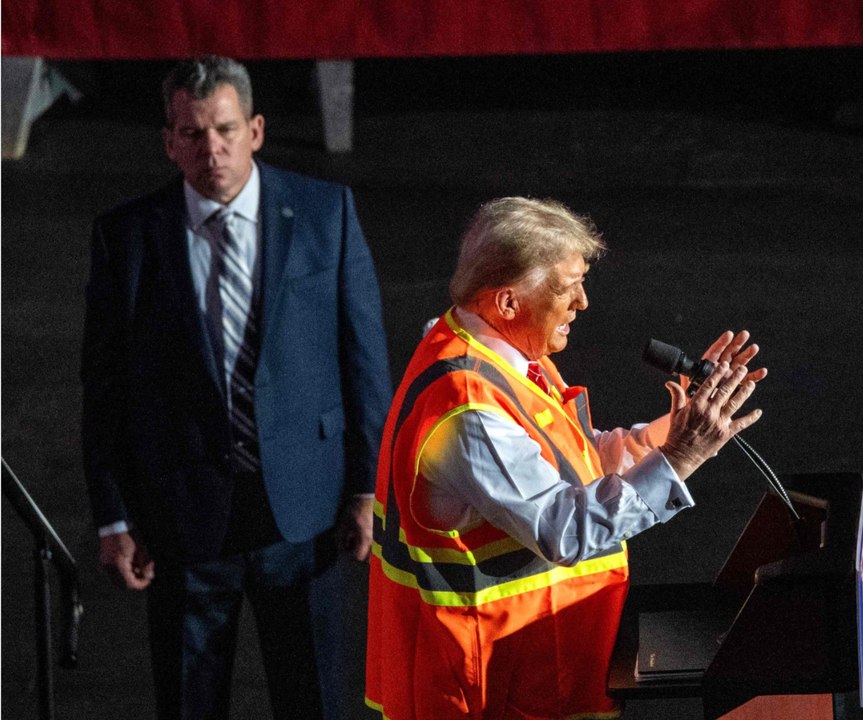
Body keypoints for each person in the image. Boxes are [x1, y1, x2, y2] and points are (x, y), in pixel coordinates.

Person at [365, 197, 765, 719]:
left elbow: (579, 459)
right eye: (566, 286)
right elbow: (563, 528)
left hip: (531, 671)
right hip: (492, 690)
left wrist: (674, 435)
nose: (582, 303)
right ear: (508, 302)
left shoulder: (502, 356)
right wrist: (680, 460)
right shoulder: (468, 405)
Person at [80, 55, 392, 719]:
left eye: (224, 130)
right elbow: (103, 389)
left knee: (311, 701)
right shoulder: (127, 237)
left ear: (255, 129)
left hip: (303, 514)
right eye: (192, 134)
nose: (211, 150)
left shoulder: (324, 212)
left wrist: (367, 488)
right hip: (183, 518)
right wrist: (113, 516)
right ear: (169, 141)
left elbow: (363, 361)